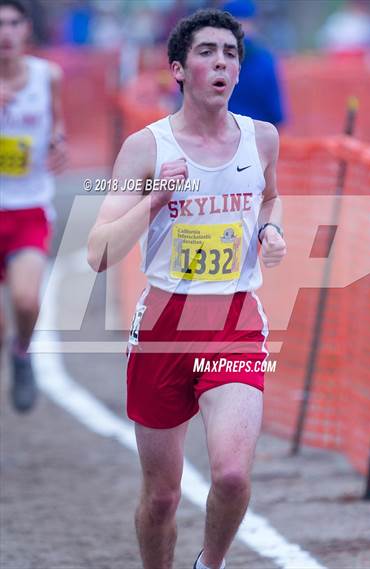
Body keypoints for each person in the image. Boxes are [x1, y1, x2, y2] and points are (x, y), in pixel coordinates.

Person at [88, 8, 286, 569]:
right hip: (162, 328)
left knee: (230, 474)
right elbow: (98, 252)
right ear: (178, 69)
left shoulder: (262, 140)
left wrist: (270, 229)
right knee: (162, 498)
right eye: (206, 52)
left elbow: (269, 197)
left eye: (230, 54)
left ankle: (211, 564)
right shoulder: (144, 149)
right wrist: (152, 202)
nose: (220, 63)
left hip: (235, 321)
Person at [0, 0, 67, 412]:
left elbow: (57, 121)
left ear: (26, 30)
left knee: (26, 300)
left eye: (12, 23)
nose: (4, 33)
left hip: (29, 208)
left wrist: (58, 142)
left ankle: (23, 353)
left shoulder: (48, 76)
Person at [223, 0, 287, 128]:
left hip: (217, 137)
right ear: (254, 22)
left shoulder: (210, 59)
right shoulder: (265, 61)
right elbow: (277, 115)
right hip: (255, 137)